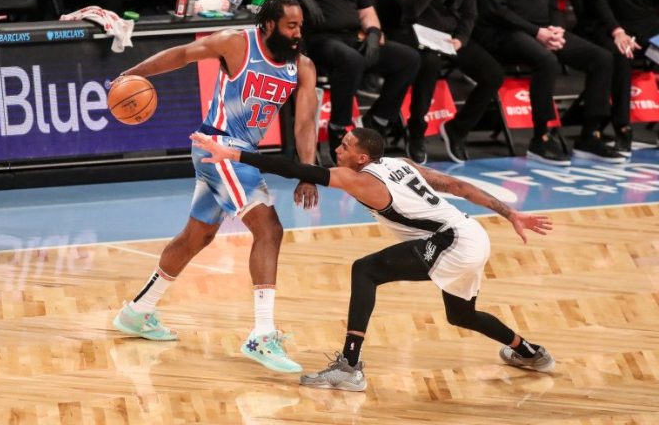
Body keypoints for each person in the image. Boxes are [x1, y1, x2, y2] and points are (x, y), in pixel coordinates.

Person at [191, 127, 556, 392]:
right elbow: (457, 186)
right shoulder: (401, 163)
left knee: (364, 270)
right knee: (460, 314)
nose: (338, 148)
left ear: (362, 158)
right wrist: (511, 215)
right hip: (471, 234)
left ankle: (349, 365)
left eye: (345, 146)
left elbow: (298, 171)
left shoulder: (360, 179)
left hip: (452, 241)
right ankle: (528, 352)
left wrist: (234, 155)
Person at [112, 0, 320, 374]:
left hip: (237, 155)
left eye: (301, 26)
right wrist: (133, 75)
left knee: (197, 237)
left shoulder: (302, 66)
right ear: (270, 24)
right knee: (269, 230)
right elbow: (182, 54)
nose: (298, 33)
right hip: (218, 146)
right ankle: (261, 332)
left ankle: (138, 311)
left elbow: (305, 123)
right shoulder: (236, 43)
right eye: (291, 26)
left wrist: (308, 170)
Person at [253, 0, 421, 164]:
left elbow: (366, 10)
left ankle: (376, 122)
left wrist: (374, 33)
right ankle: (338, 130)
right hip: (317, 39)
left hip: (352, 36)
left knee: (409, 59)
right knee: (351, 60)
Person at [474, 0, 626, 165]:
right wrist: (537, 33)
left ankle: (589, 136)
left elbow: (552, 4)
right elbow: (494, 9)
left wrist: (558, 29)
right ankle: (541, 138)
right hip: (502, 32)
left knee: (602, 58)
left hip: (542, 30)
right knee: (546, 60)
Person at [398, 0, 504, 163]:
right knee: (430, 62)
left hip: (451, 37)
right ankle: (417, 130)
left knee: (493, 75)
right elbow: (412, 10)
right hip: (417, 33)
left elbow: (470, 13)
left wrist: (461, 39)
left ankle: (457, 130)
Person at [587, 0, 659, 156]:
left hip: (647, 24)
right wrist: (617, 31)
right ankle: (622, 127)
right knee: (622, 53)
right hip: (609, 25)